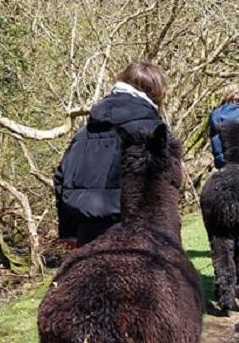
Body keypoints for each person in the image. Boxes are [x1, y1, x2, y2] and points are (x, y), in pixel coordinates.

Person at [54, 61, 166, 247]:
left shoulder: (83, 133)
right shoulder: (154, 130)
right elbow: (163, 186)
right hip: (136, 233)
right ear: (156, 92)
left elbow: (60, 179)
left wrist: (69, 233)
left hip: (87, 234)